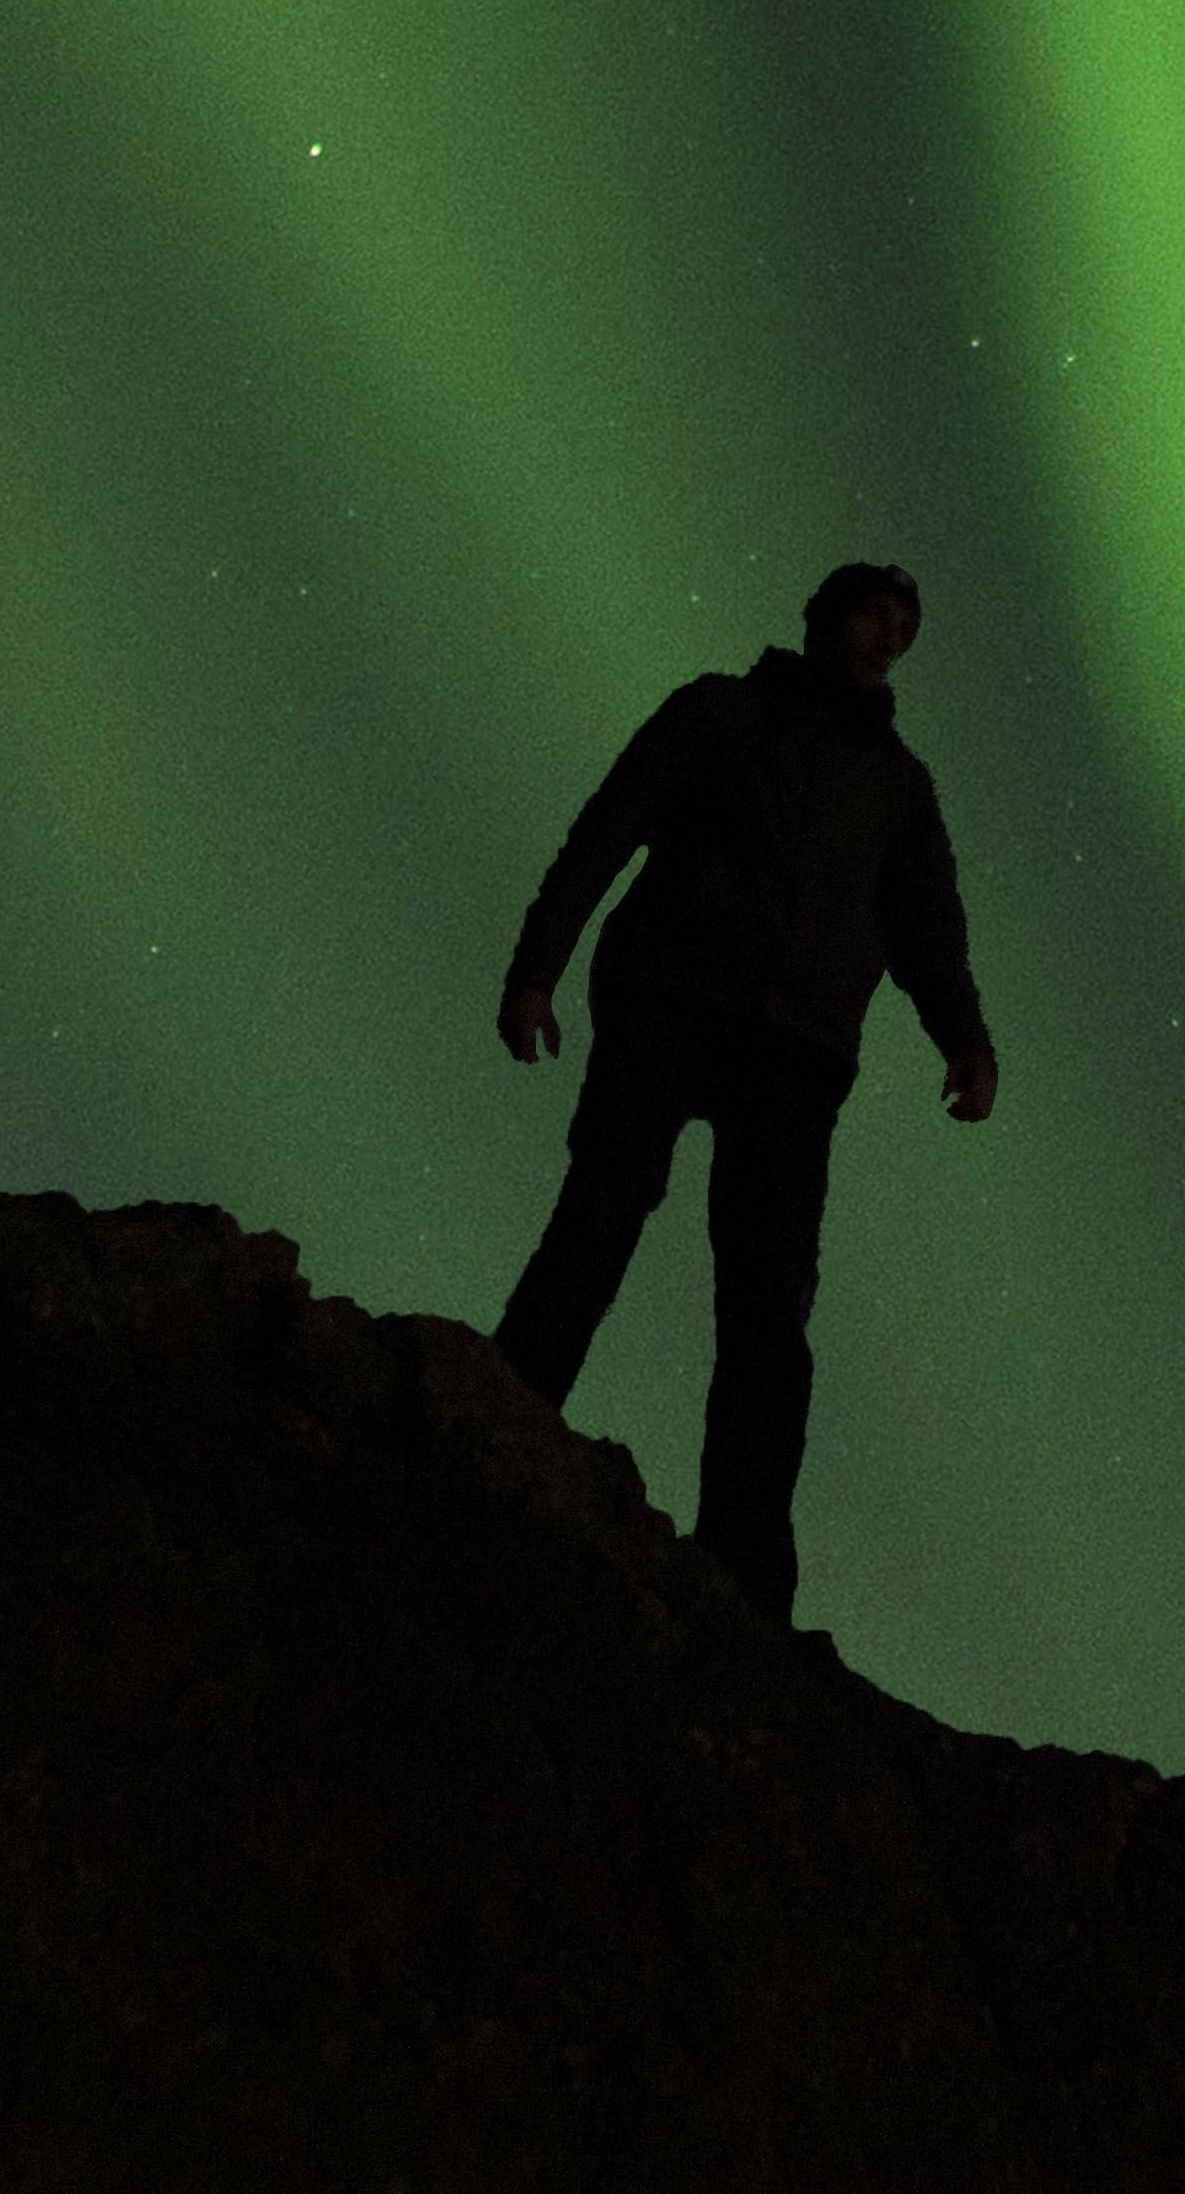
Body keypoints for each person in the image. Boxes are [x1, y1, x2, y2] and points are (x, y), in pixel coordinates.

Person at [487, 559, 1000, 1624]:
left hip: (797, 1051)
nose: (885, 638)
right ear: (822, 618)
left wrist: (964, 1035)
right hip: (672, 998)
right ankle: (498, 1421)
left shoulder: (898, 787)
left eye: (902, 625)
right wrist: (536, 965)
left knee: (769, 1302)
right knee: (604, 1204)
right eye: (872, 613)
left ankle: (746, 1572)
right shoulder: (718, 713)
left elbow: (925, 923)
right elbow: (606, 830)